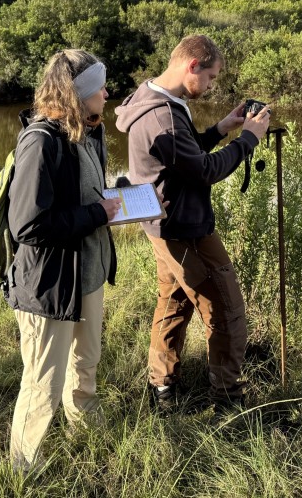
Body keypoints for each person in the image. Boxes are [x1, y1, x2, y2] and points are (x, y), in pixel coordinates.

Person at [114, 34, 271, 410]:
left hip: (163, 224)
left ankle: (163, 388)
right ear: (192, 66)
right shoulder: (163, 117)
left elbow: (181, 157)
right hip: (186, 230)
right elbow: (203, 171)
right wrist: (248, 139)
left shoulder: (154, 97)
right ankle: (228, 402)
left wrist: (220, 130)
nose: (212, 85)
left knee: (173, 304)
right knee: (227, 311)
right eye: (212, 77)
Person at [7, 49, 122, 472]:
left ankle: (87, 434)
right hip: (50, 286)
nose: (107, 94)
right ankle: (24, 467)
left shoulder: (87, 131)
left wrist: (122, 199)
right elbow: (28, 226)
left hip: (86, 276)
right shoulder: (40, 142)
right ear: (78, 93)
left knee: (84, 366)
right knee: (43, 384)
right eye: (100, 88)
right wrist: (97, 214)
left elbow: (88, 193)